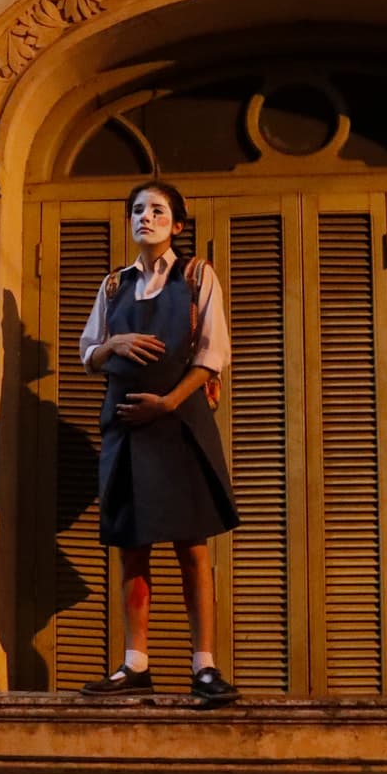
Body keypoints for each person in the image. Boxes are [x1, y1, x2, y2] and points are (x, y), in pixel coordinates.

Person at [77, 181, 241, 703]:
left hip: (178, 425)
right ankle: (136, 663)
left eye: (157, 210)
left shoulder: (196, 276)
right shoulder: (112, 287)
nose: (145, 218)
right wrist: (114, 343)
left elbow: (213, 354)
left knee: (192, 547)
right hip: (125, 429)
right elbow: (87, 354)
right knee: (132, 548)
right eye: (138, 210)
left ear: (177, 223)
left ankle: (204, 666)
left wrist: (168, 403)